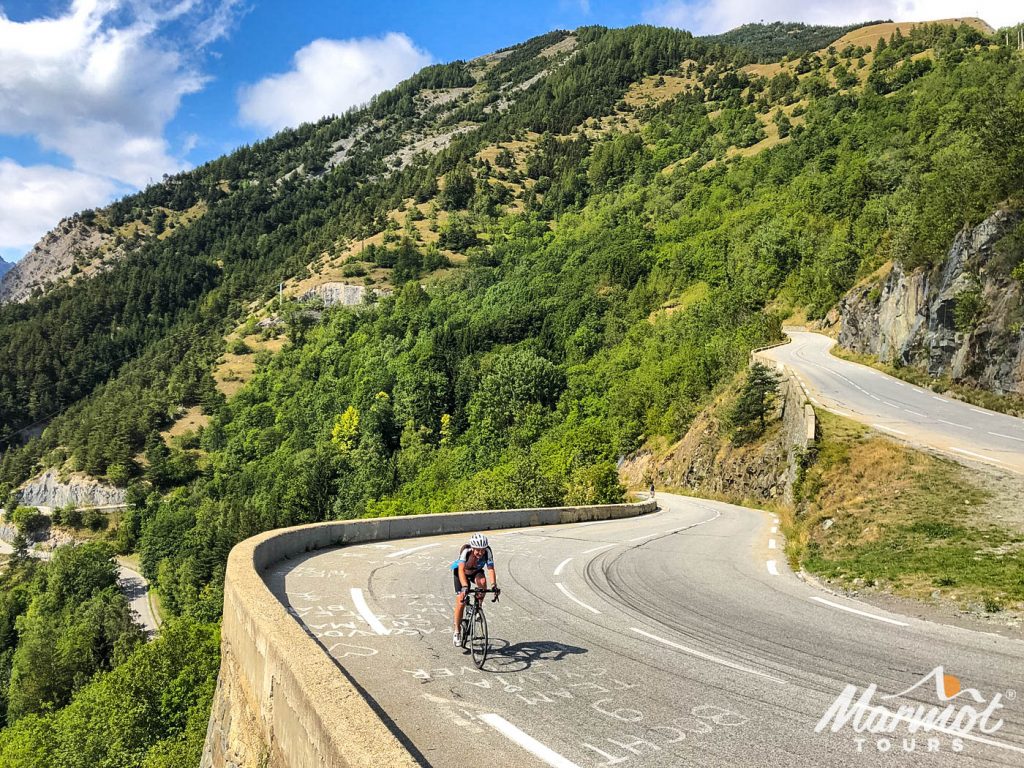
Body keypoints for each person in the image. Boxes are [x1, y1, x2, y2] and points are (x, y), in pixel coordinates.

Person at [451, 533, 499, 646]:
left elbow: (491, 569)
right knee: (461, 601)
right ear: (473, 548)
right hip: (461, 573)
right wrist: (465, 587)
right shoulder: (466, 550)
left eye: (482, 550)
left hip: (476, 571)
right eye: (478, 550)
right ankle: (457, 631)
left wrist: (494, 585)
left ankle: (478, 607)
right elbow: (461, 569)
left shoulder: (488, 551)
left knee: (482, 583)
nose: (481, 553)